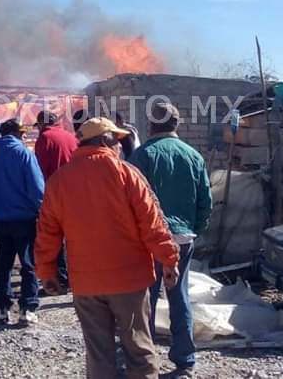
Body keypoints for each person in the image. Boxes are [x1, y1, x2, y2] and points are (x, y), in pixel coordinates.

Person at [35, 117, 180, 379]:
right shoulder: (126, 174)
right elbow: (152, 223)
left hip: (87, 284)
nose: (119, 146)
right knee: (139, 349)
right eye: (117, 140)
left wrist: (47, 272)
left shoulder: (59, 181)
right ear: (105, 141)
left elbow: (47, 233)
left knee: (99, 354)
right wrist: (168, 259)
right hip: (130, 281)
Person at [128, 102, 211, 374]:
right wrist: (192, 229)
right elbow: (205, 202)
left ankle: (145, 358)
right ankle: (185, 359)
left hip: (149, 240)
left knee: (145, 300)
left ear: (151, 124)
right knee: (179, 297)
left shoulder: (142, 155)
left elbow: (128, 200)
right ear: (176, 124)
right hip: (183, 238)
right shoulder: (193, 156)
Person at [0, 118, 45, 325]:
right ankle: (28, 307)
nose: (25, 137)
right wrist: (43, 210)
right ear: (17, 134)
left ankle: (2, 308)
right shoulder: (25, 154)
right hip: (24, 219)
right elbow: (36, 188)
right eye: (23, 134)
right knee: (28, 264)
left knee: (3, 263)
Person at [33, 110, 78, 290]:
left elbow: (39, 170)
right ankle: (75, 274)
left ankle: (60, 276)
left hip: (55, 193)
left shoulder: (44, 139)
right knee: (74, 237)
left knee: (55, 236)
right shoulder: (71, 137)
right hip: (75, 193)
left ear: (42, 125)